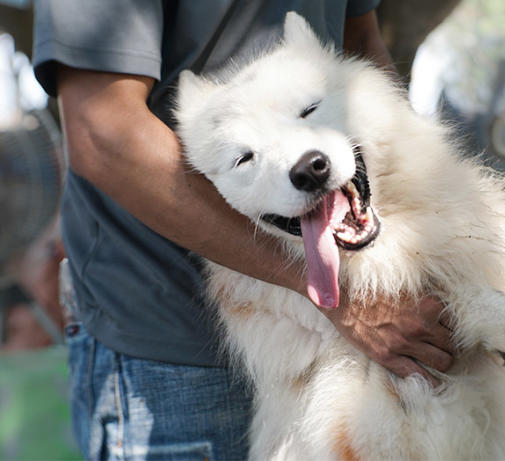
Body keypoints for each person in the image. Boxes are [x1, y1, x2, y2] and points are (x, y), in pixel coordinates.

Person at [33, 1, 455, 459]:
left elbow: (359, 46)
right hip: (179, 358)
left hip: (363, 339)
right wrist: (342, 298)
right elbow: (104, 133)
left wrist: (441, 225)